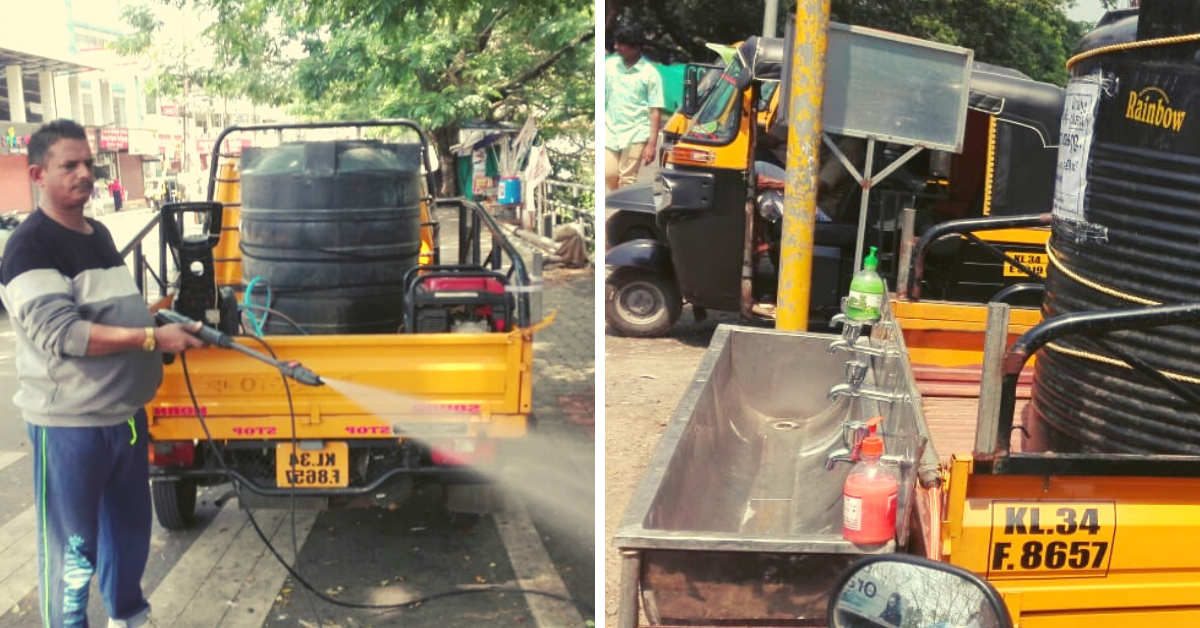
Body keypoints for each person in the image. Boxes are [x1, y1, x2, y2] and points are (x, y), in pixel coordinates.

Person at [0, 119, 204, 628]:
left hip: (126, 419)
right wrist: (153, 338)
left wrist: (162, 324)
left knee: (130, 533)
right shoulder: (29, 247)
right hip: (69, 427)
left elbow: (115, 315)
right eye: (69, 165)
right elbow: (64, 335)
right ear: (37, 174)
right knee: (74, 548)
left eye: (89, 163)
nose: (85, 174)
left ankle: (129, 615)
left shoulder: (99, 233)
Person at [605, 24, 665, 191]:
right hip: (609, 131)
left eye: (621, 44)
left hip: (636, 133)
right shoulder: (609, 66)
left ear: (636, 47)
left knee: (627, 181)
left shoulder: (650, 74)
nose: (616, 47)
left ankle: (620, 214)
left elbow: (655, 111)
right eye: (616, 43)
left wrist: (651, 145)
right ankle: (619, 204)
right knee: (608, 174)